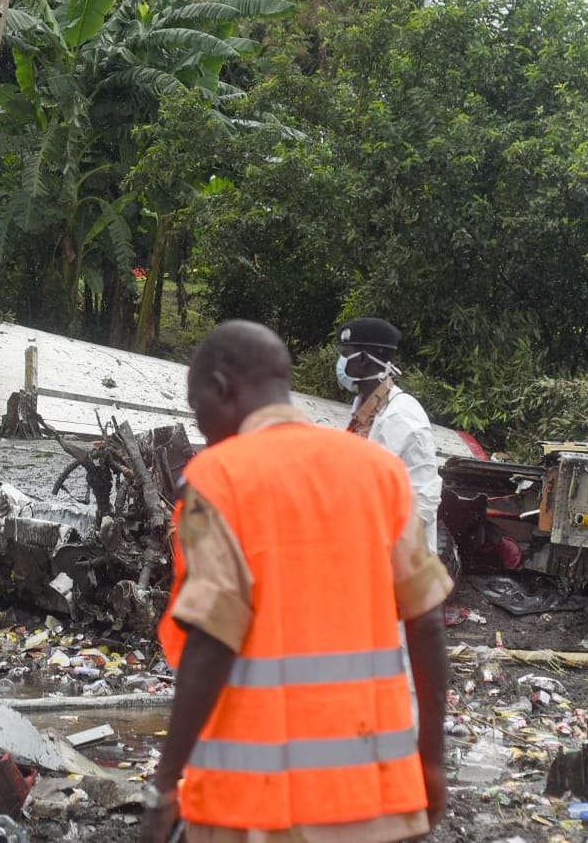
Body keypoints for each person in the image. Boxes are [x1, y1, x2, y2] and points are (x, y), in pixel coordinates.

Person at [140, 321, 451, 843]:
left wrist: (165, 784)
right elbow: (428, 626)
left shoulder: (219, 479)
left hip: (255, 808)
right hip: (378, 801)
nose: (202, 429)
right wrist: (432, 764)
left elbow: (213, 639)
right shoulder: (380, 474)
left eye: (198, 410)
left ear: (220, 388)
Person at [336, 316, 443, 553]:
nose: (340, 362)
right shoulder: (365, 410)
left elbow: (424, 499)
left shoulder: (401, 414)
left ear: (362, 359)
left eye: (345, 353)